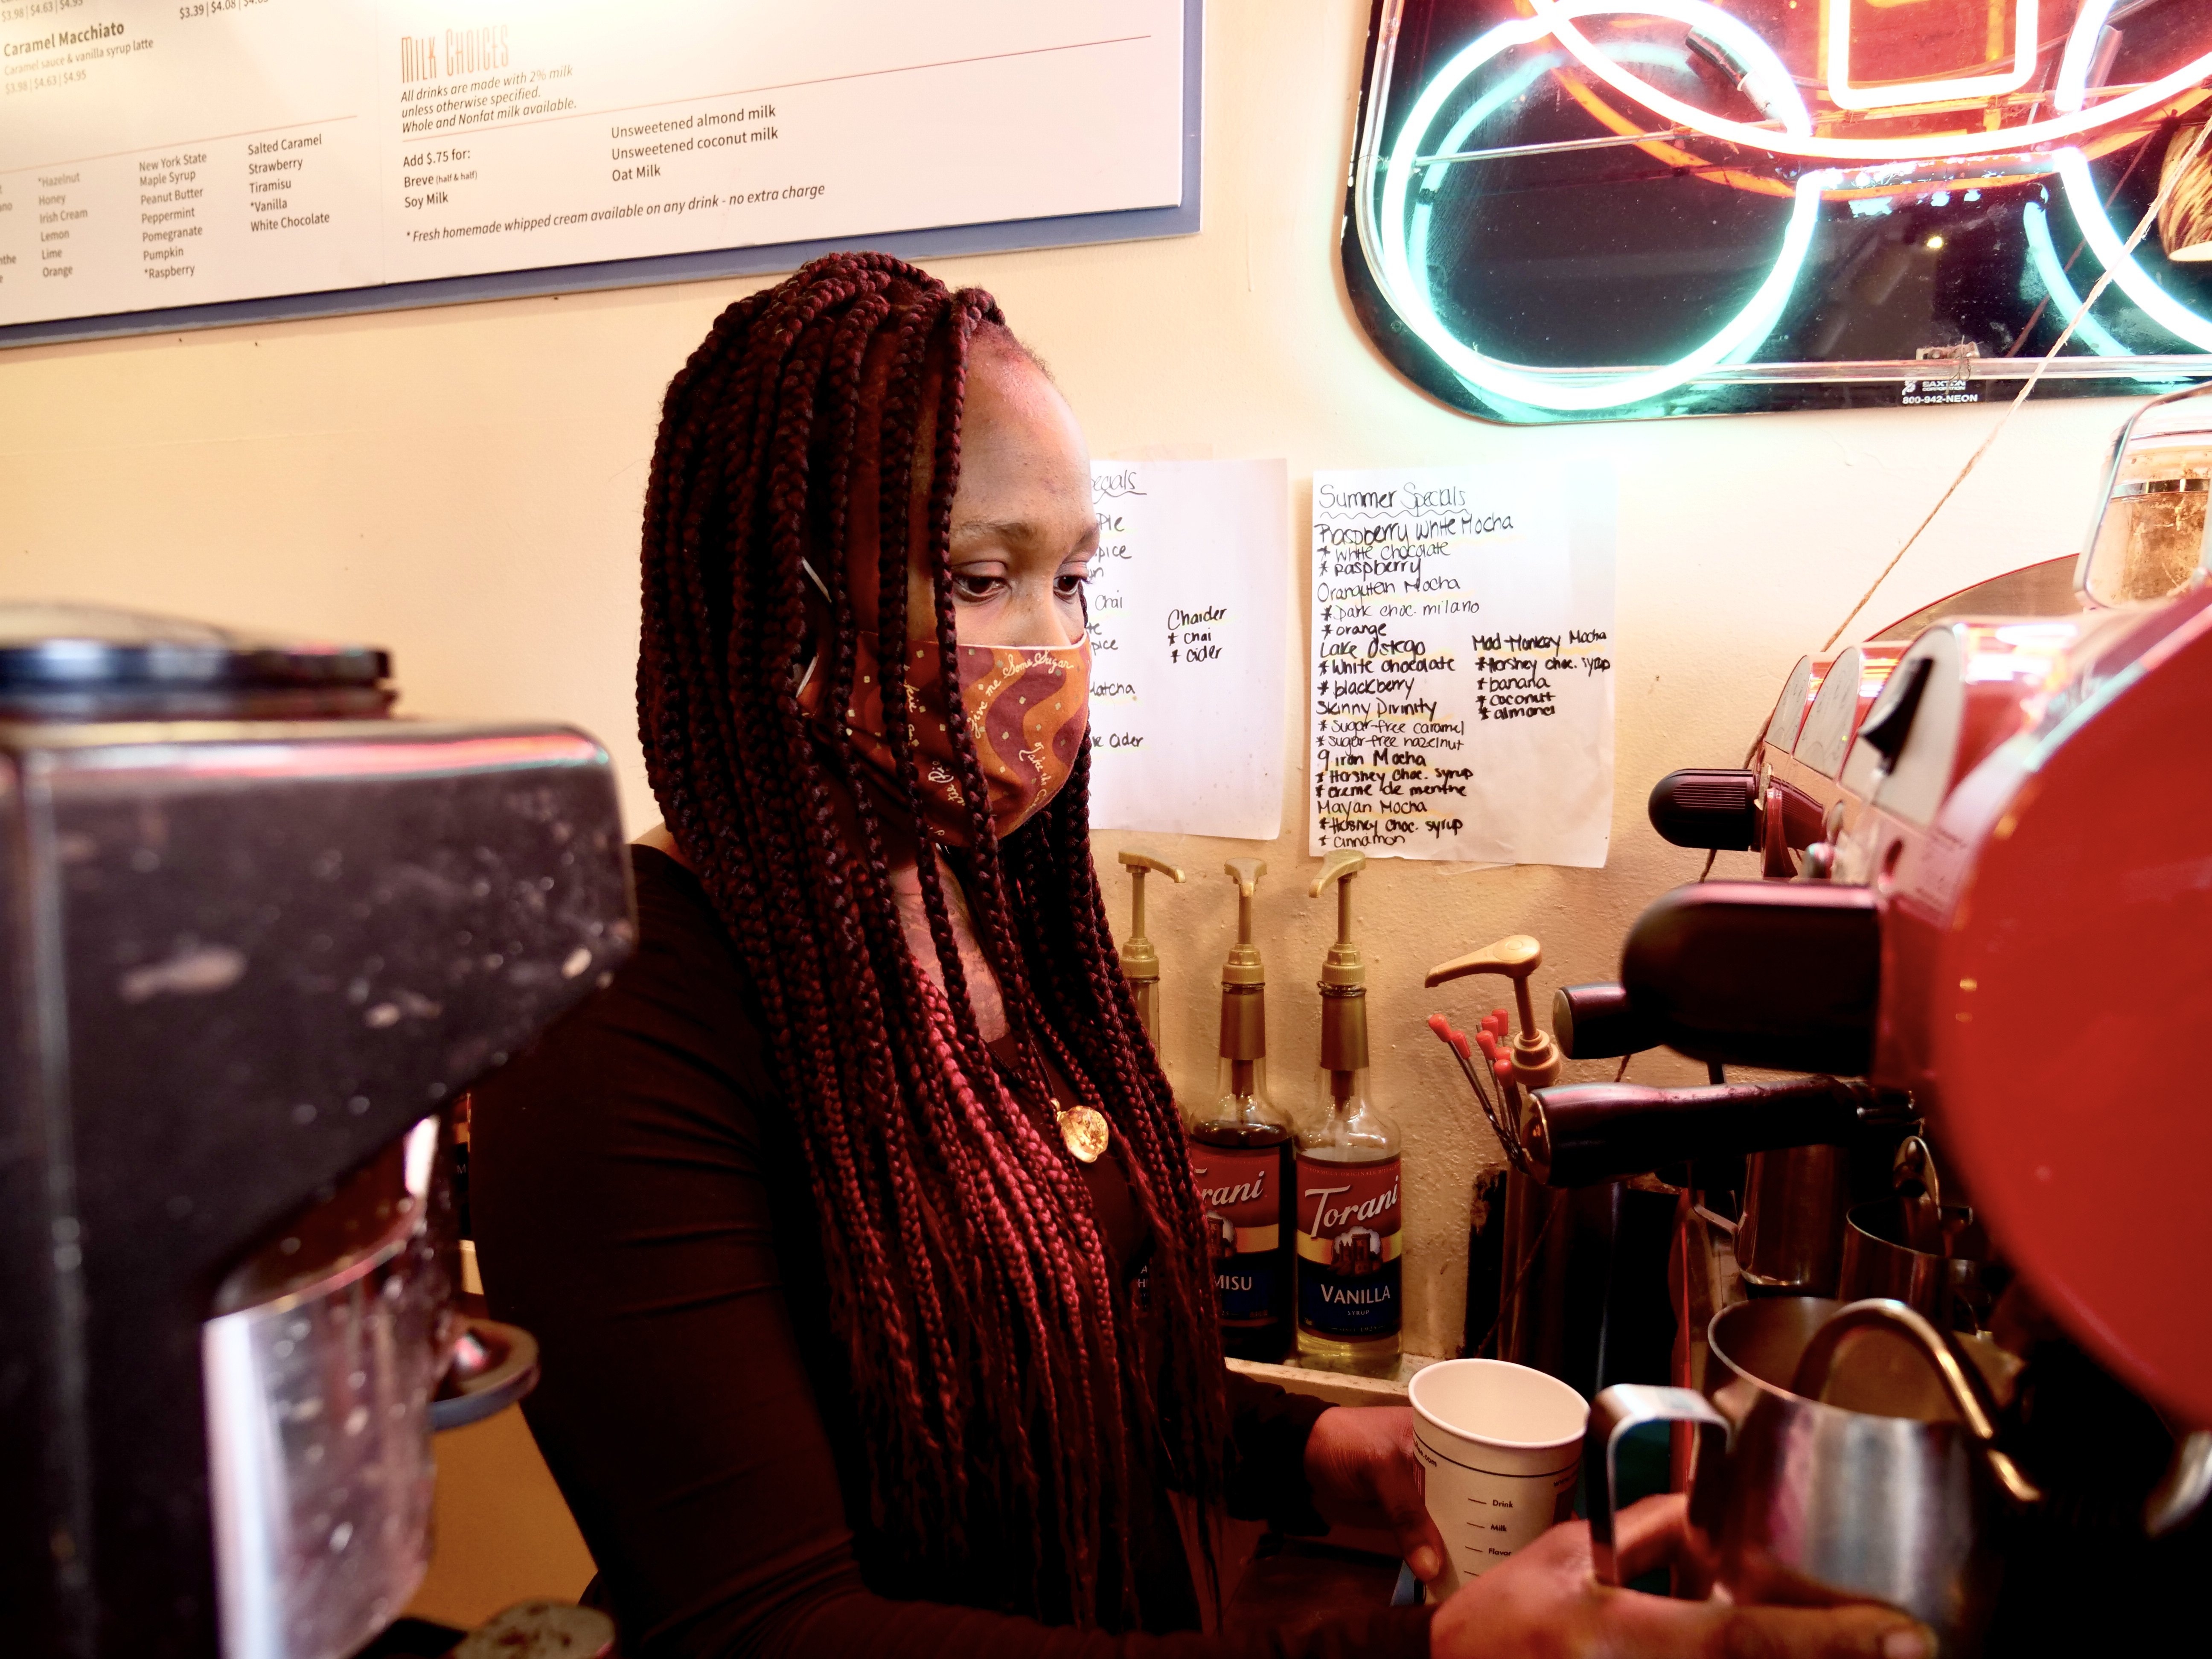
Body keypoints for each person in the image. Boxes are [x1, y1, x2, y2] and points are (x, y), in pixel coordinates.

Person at [469, 253, 1932, 1659]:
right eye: (977, 580)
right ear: (772, 609)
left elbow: (1046, 1372)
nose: (1049, 646)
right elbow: (765, 1627)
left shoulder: (984, 915)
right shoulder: (619, 1019)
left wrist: (1303, 1451)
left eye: (1076, 581)